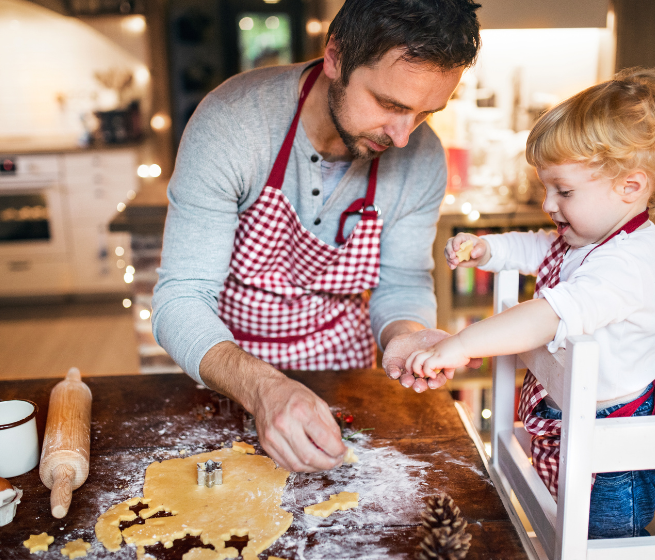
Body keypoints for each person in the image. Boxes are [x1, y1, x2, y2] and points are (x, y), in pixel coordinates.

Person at [151, 0, 482, 473]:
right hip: (231, 375)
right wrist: (265, 389)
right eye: (390, 105)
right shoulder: (234, 124)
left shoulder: (421, 158)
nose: (404, 136)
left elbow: (403, 284)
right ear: (335, 58)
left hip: (344, 374)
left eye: (426, 113)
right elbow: (180, 298)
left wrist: (405, 336)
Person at [405, 67, 655, 538]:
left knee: (603, 540)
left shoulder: (626, 264)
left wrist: (462, 345)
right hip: (579, 418)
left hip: (615, 449)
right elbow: (540, 248)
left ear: (631, 187)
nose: (548, 202)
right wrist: (489, 250)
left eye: (563, 191)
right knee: (569, 525)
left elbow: (547, 316)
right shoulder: (591, 235)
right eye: (547, 187)